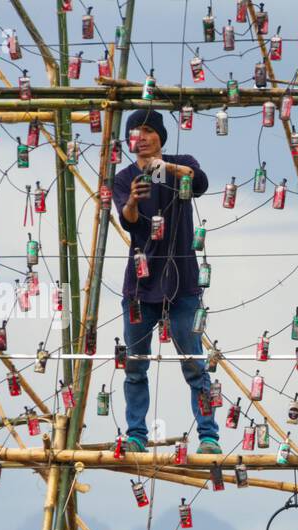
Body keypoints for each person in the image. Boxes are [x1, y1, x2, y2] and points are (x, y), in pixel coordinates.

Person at [110, 108, 221, 454]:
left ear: (159, 136)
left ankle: (208, 436)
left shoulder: (179, 165)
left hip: (183, 285)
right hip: (141, 289)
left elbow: (199, 181)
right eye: (134, 132)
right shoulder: (123, 177)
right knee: (135, 367)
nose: (140, 137)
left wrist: (161, 168)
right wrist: (132, 200)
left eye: (147, 130)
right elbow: (128, 221)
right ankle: (136, 435)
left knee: (194, 366)